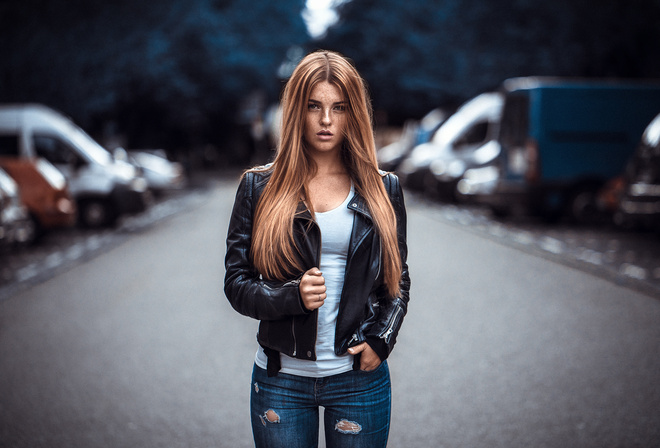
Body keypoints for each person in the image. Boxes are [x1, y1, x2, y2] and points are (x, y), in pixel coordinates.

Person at [224, 50, 410, 448]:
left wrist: (382, 338)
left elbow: (397, 281)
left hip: (359, 381)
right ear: (296, 111)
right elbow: (237, 283)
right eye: (314, 107)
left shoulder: (384, 188)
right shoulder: (258, 188)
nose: (326, 120)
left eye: (339, 107)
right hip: (281, 382)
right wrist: (290, 297)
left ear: (353, 113)